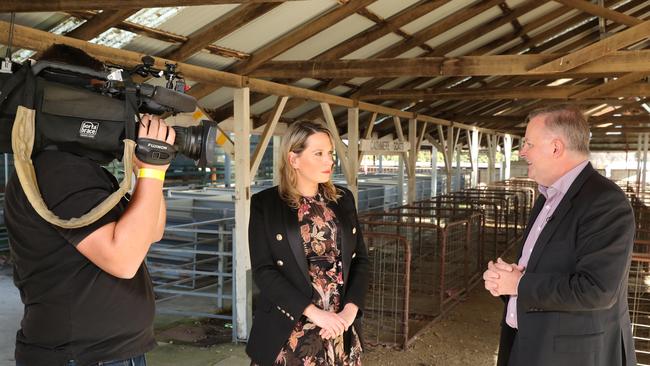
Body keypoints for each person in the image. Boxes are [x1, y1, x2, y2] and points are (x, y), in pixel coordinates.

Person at [5, 45, 175, 365]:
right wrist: (152, 170)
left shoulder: (75, 168)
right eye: (100, 98)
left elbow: (150, 232)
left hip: (99, 353)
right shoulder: (58, 169)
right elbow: (123, 259)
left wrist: (149, 173)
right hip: (83, 356)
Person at [482, 105, 636, 366]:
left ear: (556, 148)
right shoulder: (548, 197)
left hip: (571, 355)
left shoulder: (604, 201)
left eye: (529, 143)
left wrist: (519, 284)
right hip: (533, 343)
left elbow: (597, 289)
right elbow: (547, 268)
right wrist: (508, 281)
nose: (522, 152)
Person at [246, 120, 369, 366]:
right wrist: (314, 313)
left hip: (338, 326)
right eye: (319, 154)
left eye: (330, 153)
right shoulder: (266, 204)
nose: (329, 161)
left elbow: (361, 260)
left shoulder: (343, 199)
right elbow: (264, 271)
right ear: (294, 159)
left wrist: (350, 310)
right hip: (290, 328)